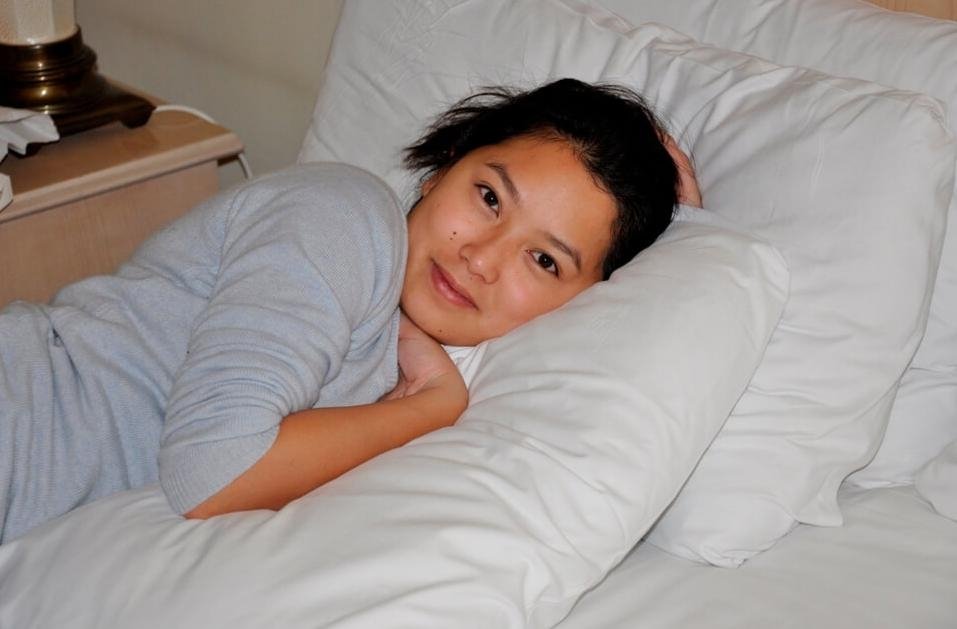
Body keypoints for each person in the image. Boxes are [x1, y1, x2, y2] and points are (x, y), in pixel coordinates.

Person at [0, 78, 698, 542]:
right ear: (444, 165)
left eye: (543, 260)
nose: (480, 257)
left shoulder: (440, 350)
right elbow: (213, 472)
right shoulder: (346, 216)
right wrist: (430, 409)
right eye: (488, 197)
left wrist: (687, 241)